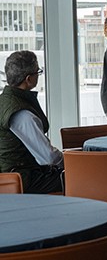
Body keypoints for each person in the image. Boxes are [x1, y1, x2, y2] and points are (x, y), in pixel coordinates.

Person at [0, 51, 63, 194]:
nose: (38, 75)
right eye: (38, 72)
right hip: (24, 179)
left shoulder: (4, 102)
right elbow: (48, 157)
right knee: (81, 177)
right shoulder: (22, 113)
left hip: (8, 176)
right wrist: (72, 164)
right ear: (28, 79)